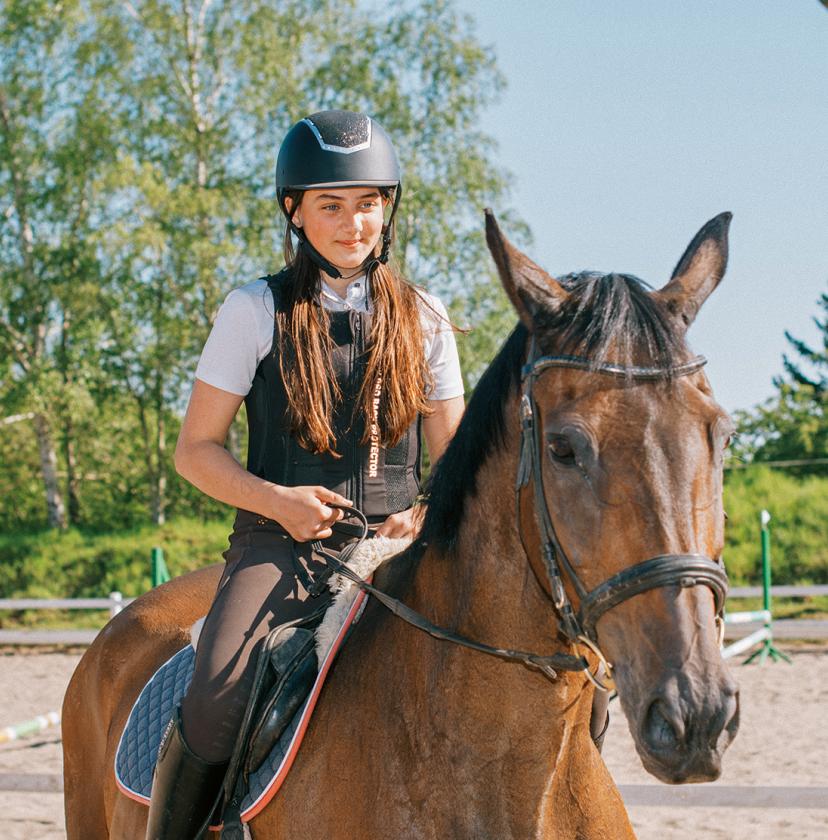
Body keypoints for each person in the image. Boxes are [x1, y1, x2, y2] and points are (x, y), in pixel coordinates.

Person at [145, 110, 466, 839]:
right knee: (217, 693)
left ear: (389, 207)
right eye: (331, 205)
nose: (354, 223)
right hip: (281, 547)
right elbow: (195, 450)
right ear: (294, 210)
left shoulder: (426, 316)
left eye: (368, 203)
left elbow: (454, 456)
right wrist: (277, 503)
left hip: (399, 547)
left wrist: (424, 513)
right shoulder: (254, 310)